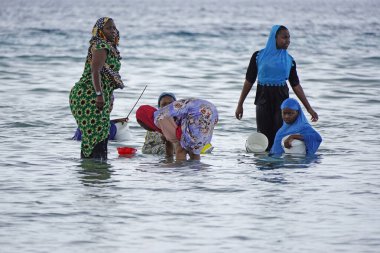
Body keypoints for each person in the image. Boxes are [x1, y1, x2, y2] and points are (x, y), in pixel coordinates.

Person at [235, 25, 318, 151]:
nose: (288, 41)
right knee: (263, 135)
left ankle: (278, 167)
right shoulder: (258, 56)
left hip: (282, 100)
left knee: (279, 135)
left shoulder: (290, 60)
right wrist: (240, 104)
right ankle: (265, 166)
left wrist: (309, 108)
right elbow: (249, 81)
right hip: (263, 99)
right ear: (274, 38)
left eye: (289, 38)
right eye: (284, 37)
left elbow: (296, 85)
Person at [69, 17, 125, 159]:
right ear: (100, 31)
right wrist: (99, 94)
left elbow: (106, 77)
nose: (113, 31)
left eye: (114, 27)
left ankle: (98, 174)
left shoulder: (108, 47)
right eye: (108, 28)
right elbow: (95, 71)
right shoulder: (100, 46)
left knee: (99, 135)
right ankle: (93, 173)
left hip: (97, 95)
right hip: (88, 95)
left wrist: (108, 96)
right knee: (95, 136)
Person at [136, 98, 218, 160]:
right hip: (211, 111)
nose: (144, 127)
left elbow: (179, 144)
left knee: (181, 149)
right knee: (193, 150)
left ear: (145, 120)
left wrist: (176, 170)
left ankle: (182, 178)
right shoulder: (165, 114)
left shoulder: (159, 118)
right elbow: (171, 141)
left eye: (142, 124)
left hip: (199, 112)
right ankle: (196, 174)